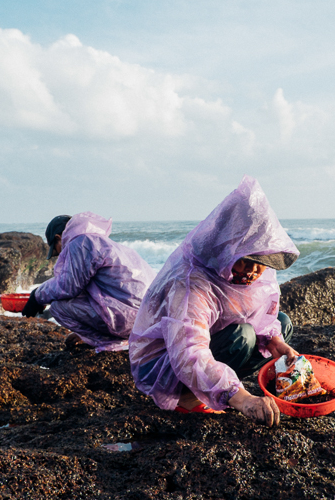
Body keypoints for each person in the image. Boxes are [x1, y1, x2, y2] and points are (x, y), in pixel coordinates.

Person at [128, 175, 299, 426]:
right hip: (165, 363)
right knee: (242, 336)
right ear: (225, 249)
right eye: (243, 260)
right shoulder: (192, 281)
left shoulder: (256, 273)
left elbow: (265, 316)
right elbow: (189, 351)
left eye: (259, 263)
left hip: (209, 342)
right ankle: (188, 399)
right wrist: (242, 399)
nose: (251, 271)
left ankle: (215, 389)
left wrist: (275, 344)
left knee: (281, 323)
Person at [22, 212, 156, 352]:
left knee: (57, 307)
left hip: (126, 320)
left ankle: (110, 343)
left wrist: (36, 296)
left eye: (56, 251)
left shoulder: (81, 243)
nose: (58, 256)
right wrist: (84, 335)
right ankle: (111, 339)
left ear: (59, 238)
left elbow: (67, 286)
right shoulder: (102, 242)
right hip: (146, 320)